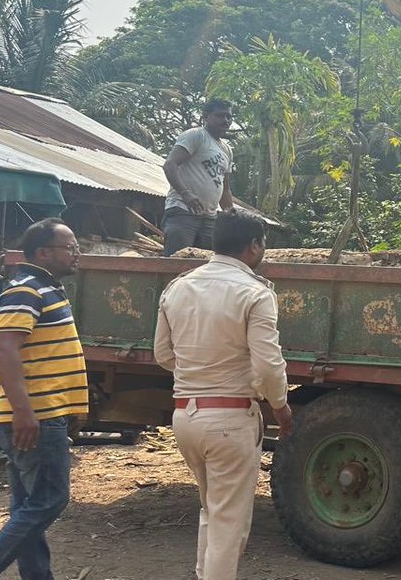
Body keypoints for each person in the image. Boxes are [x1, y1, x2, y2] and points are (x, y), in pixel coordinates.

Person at [154, 209, 293, 580]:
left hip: (185, 417)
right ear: (254, 245)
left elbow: (163, 355)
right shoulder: (255, 293)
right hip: (231, 420)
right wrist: (280, 406)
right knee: (229, 524)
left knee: (212, 512)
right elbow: (267, 365)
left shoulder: (177, 287)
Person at [0, 219, 87, 580]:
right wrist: (24, 412)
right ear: (43, 252)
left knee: (27, 506)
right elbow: (6, 350)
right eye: (70, 246)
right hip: (36, 416)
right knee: (50, 500)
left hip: (44, 413)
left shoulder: (47, 288)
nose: (76, 253)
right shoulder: (25, 290)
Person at [162, 99, 236, 256]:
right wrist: (185, 193)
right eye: (220, 116)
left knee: (206, 267)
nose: (225, 121)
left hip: (209, 217)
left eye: (229, 117)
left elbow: (225, 188)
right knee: (177, 263)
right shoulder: (196, 136)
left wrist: (232, 215)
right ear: (206, 117)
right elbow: (170, 164)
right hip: (183, 212)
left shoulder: (227, 150)